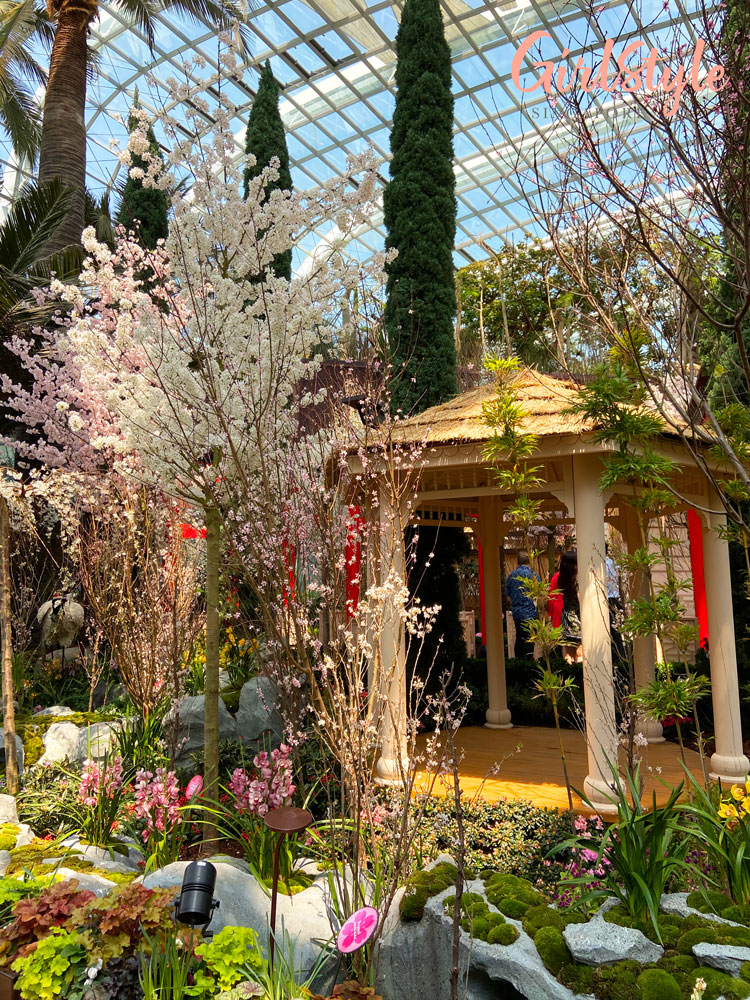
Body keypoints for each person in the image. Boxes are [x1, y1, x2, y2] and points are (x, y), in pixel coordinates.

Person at [505, 550, 539, 660]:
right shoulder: (533, 575)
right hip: (530, 612)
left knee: (519, 637)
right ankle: (528, 662)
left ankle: (518, 662)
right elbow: (539, 592)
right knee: (529, 639)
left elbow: (508, 594)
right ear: (529, 560)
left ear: (518, 561)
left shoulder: (512, 576)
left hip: (517, 613)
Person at [558, 548, 582, 664]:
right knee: (580, 653)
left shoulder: (561, 578)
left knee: (568, 654)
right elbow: (580, 600)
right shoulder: (577, 581)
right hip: (576, 618)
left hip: (565, 617)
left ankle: (569, 672)